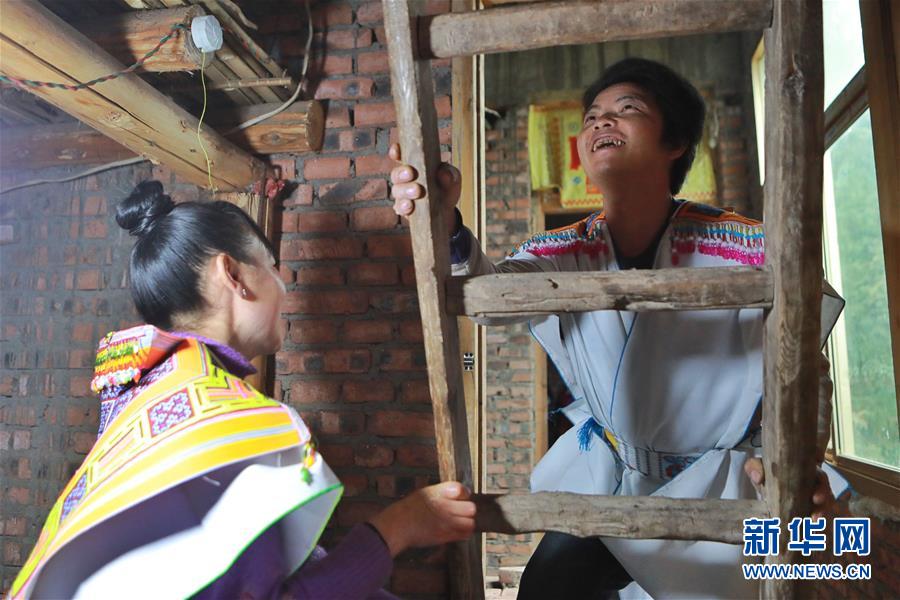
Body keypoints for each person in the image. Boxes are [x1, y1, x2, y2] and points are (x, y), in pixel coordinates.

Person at [390, 58, 846, 599]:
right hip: (613, 474)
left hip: (724, 485)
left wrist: (796, 458)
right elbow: (488, 296)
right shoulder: (563, 249)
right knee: (545, 589)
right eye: (592, 117)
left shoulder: (751, 247)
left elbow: (803, 365)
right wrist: (446, 225)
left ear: (674, 142)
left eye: (627, 110)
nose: (602, 122)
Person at [11, 181, 477, 599]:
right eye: (273, 268)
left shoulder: (137, 405)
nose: (283, 288)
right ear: (232, 275)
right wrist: (401, 526)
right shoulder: (229, 424)